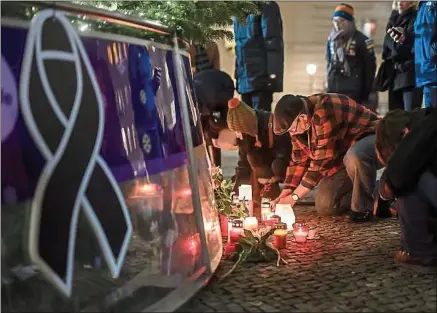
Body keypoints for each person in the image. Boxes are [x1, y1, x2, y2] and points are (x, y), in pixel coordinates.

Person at [271, 93, 380, 222]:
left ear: (303, 117)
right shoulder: (299, 125)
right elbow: (298, 160)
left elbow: (320, 163)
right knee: (325, 205)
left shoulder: (324, 112)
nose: (291, 134)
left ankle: (363, 209)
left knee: (354, 155)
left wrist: (294, 197)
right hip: (341, 157)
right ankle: (375, 190)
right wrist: (288, 189)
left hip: (371, 140)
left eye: (292, 129)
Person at [375, 108, 437, 273]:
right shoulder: (428, 123)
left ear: (404, 133)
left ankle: (419, 254)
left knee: (407, 181)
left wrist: (386, 192)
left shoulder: (421, 133)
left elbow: (395, 179)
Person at [224, 98, 292, 199]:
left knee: (277, 166)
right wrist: (235, 191)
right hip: (264, 169)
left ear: (247, 126)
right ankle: (267, 187)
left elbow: (287, 152)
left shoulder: (273, 124)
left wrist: (274, 177)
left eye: (239, 131)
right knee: (251, 156)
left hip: (281, 165)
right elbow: (242, 164)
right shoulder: (245, 137)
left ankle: (274, 185)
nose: (238, 135)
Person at [233, 1, 284, 112]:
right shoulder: (266, 6)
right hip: (257, 76)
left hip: (253, 76)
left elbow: (271, 41)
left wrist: (237, 75)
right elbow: (273, 42)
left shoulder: (240, 9)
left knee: (252, 120)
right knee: (258, 120)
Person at [326, 3, 377, 105]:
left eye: (341, 20)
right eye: (335, 21)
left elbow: (370, 69)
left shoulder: (364, 40)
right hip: (334, 89)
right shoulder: (331, 40)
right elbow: (328, 64)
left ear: (350, 22)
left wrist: (366, 94)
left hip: (354, 92)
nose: (337, 24)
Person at [382, 1, 423, 111]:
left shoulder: (416, 17)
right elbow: (385, 49)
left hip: (409, 73)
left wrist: (398, 44)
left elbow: (410, 47)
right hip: (394, 74)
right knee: (395, 117)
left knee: (410, 116)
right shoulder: (393, 18)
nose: (400, 2)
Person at [193, 69, 235, 167]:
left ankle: (214, 167)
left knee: (215, 126)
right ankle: (209, 167)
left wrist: (214, 137)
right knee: (203, 134)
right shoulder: (196, 106)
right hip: (207, 86)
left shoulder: (216, 102)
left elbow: (216, 119)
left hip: (222, 86)